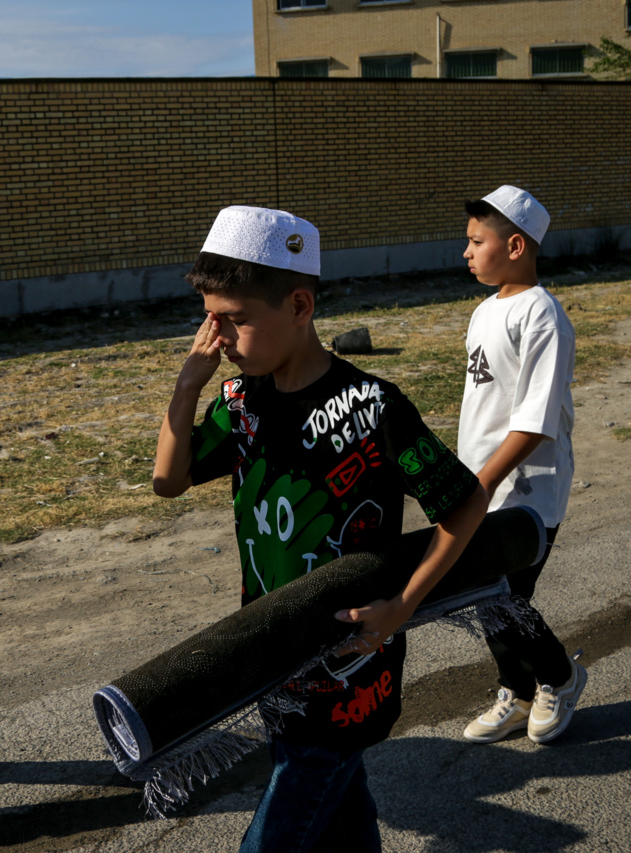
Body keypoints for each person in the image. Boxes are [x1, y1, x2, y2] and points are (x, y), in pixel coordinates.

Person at [153, 205, 488, 852]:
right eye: (209, 318)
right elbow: (169, 479)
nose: (217, 338)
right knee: (342, 816)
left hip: (348, 667)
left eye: (237, 319)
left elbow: (465, 505)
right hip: (275, 653)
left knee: (286, 822)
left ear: (300, 304)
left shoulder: (373, 408)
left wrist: (404, 605)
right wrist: (188, 387)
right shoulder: (240, 401)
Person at [457, 186, 586, 745]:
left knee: (503, 595)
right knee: (483, 596)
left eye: (476, 241)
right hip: (480, 484)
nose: (466, 251)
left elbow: (535, 422)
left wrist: (484, 483)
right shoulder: (486, 310)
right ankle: (516, 690)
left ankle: (559, 676)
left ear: (515, 245)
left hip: (528, 489)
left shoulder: (541, 314)